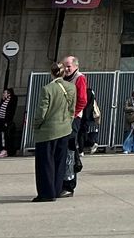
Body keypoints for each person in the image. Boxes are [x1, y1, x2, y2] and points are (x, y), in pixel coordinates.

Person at [30, 60, 76, 203]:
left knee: (45, 163)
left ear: (51, 73)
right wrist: (68, 122)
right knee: (59, 162)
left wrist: (36, 125)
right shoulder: (71, 87)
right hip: (64, 129)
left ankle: (46, 193)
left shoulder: (47, 89)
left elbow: (42, 111)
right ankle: (56, 190)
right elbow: (72, 109)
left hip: (48, 131)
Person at [60, 55, 93, 195]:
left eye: (69, 66)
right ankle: (62, 181)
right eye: (64, 66)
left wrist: (73, 115)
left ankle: (69, 184)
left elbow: (82, 100)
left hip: (73, 118)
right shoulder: (63, 78)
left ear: (75, 66)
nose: (66, 69)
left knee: (70, 148)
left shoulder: (79, 78)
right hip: (62, 117)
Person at [0, 85, 18, 157]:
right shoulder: (3, 101)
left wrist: (7, 121)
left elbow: (10, 112)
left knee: (4, 135)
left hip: (5, 120)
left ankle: (5, 149)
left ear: (9, 94)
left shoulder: (11, 101)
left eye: (5, 93)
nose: (3, 94)